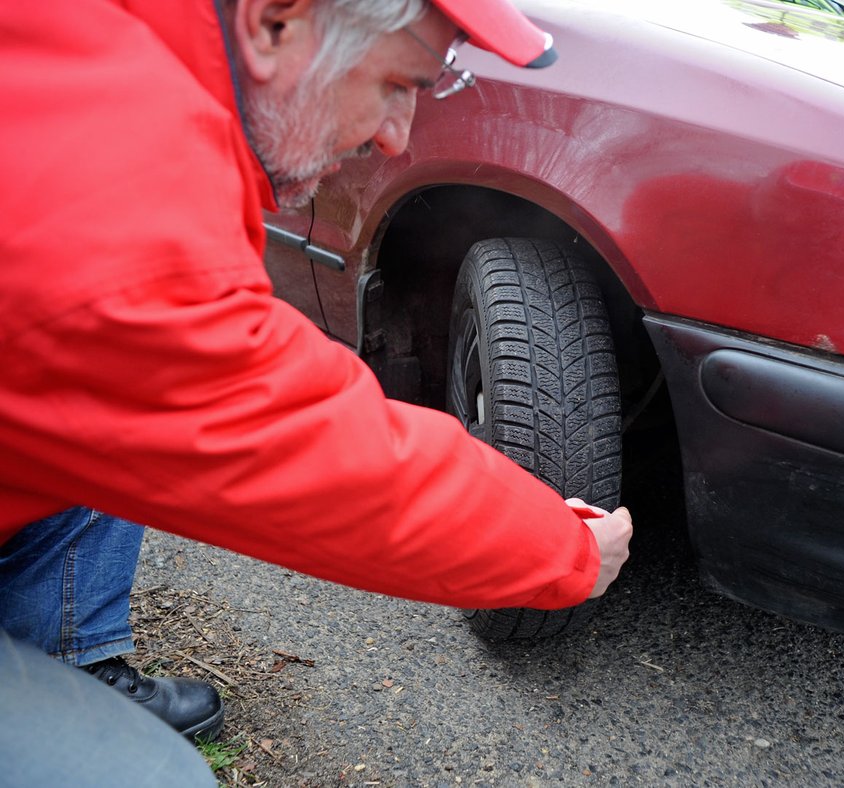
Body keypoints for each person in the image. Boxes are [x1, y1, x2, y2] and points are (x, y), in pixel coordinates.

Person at [0, 0, 633, 781]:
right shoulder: (111, 210)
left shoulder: (99, 61)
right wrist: (562, 548)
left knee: (96, 429)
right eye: (399, 84)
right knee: (146, 776)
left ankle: (56, 654)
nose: (398, 133)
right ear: (274, 23)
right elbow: (326, 456)